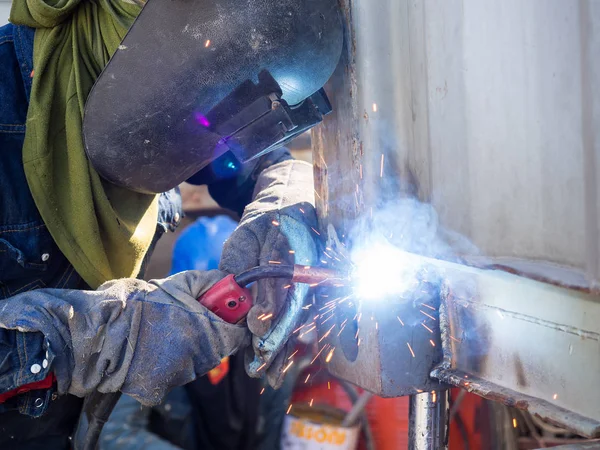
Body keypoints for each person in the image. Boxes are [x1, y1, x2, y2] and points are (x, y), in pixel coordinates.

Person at [0, 0, 342, 448]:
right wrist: (98, 340)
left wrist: (284, 213)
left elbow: (266, 164)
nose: (195, 106)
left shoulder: (177, 95)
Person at [99, 215, 295, 450]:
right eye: (207, 302)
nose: (216, 315)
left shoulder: (264, 350)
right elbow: (116, 434)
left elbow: (270, 434)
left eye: (231, 302)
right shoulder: (149, 347)